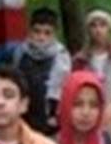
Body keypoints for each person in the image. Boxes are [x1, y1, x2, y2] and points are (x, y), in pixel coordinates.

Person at [11, 8, 70, 136]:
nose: (41, 37)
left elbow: (62, 89)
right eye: (37, 31)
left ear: (55, 34)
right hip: (24, 116)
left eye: (47, 33)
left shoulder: (61, 56)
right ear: (30, 31)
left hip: (49, 118)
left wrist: (54, 114)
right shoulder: (21, 52)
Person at [72, 9, 111, 100]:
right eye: (94, 26)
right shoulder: (80, 59)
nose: (98, 30)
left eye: (102, 25)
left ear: (109, 29)